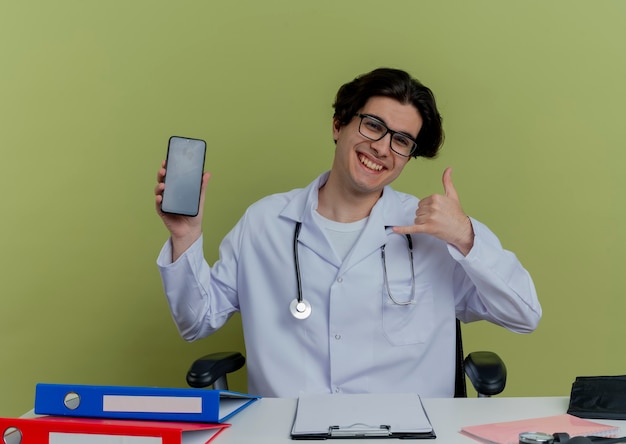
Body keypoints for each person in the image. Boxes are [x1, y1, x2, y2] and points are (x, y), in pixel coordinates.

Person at [154, 67, 541, 398]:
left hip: (411, 434)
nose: (382, 148)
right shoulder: (265, 223)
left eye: (401, 140)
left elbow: (524, 314)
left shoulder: (434, 230)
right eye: (373, 125)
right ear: (339, 125)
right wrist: (185, 236)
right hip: (286, 432)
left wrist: (466, 236)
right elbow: (196, 321)